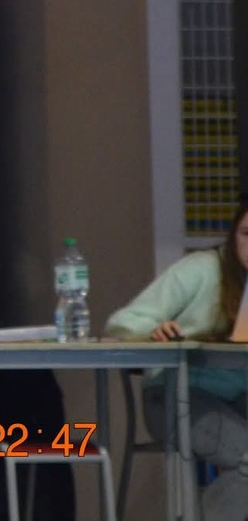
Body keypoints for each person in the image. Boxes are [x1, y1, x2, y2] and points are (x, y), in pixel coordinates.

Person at [105, 196, 248, 521]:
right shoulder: (202, 268)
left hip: (237, 397)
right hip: (177, 395)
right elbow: (122, 322)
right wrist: (155, 330)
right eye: (246, 234)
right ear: (232, 236)